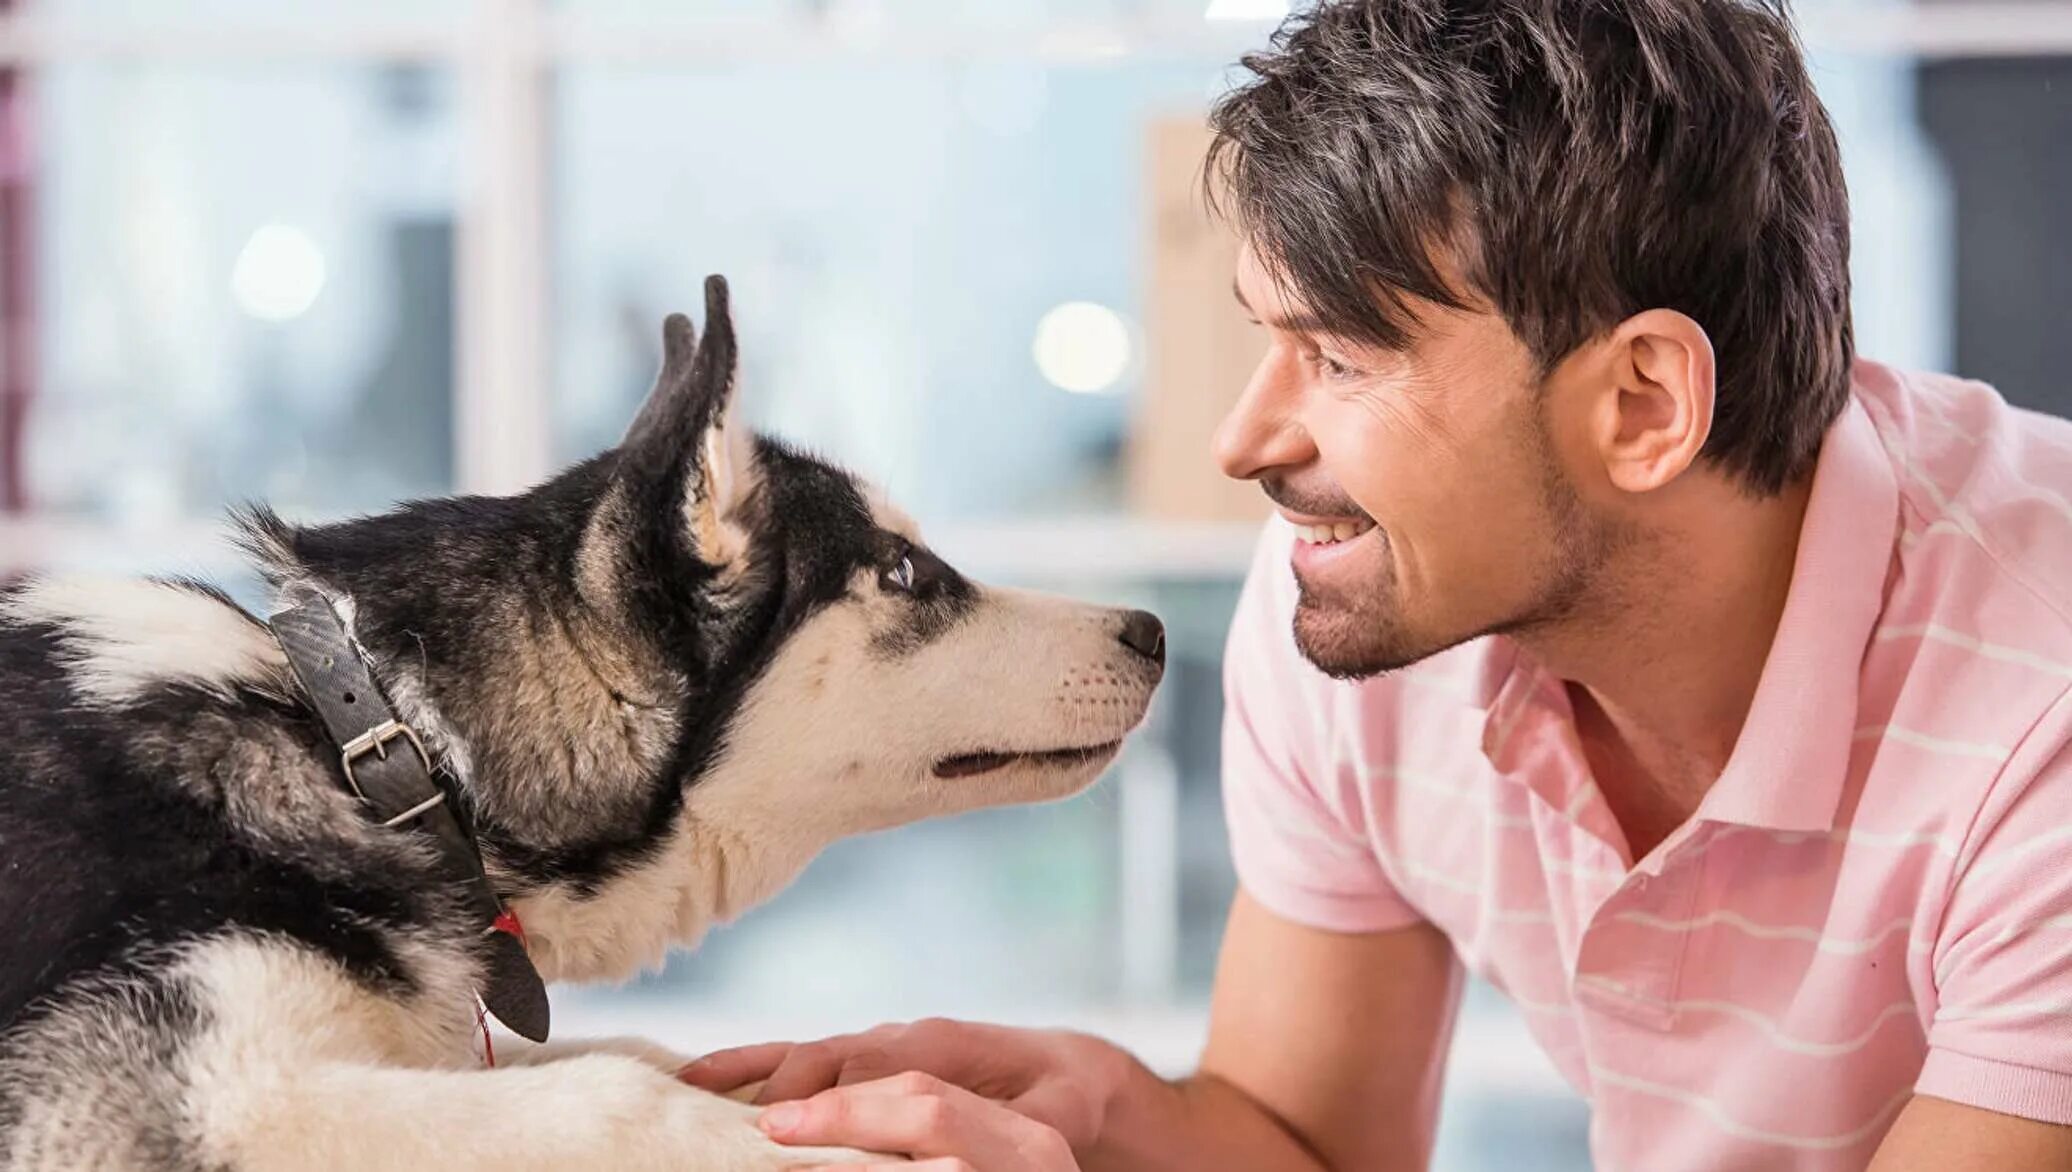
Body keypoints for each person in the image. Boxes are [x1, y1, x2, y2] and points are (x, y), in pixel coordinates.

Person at [682, 1, 2072, 1167]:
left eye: (1341, 360)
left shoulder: (2040, 707)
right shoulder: (1385, 606)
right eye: (1265, 340)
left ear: (1645, 402)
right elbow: (1313, 1144)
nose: (1245, 442)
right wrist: (1107, 1118)